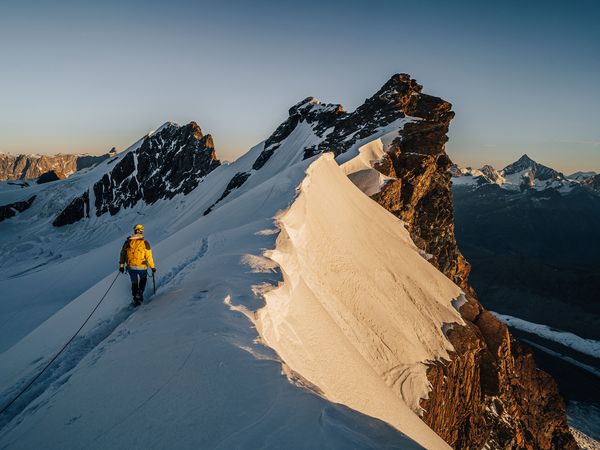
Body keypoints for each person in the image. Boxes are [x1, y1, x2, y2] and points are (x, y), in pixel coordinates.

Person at [119, 224, 156, 306]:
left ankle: (135, 298)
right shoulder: (145, 243)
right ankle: (140, 292)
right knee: (143, 278)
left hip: (131, 267)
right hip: (142, 267)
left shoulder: (127, 242)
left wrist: (121, 266)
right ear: (142, 231)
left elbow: (122, 255)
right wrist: (152, 267)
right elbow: (149, 257)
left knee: (134, 282)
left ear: (135, 231)